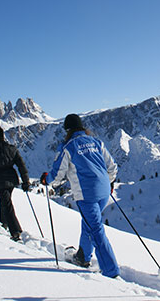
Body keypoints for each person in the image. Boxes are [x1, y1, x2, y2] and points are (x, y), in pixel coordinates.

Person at [40, 114, 119, 278]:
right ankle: (83, 257)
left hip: (86, 194)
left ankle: (111, 271)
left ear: (67, 130)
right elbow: (112, 167)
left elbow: (57, 174)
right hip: (104, 191)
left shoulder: (68, 146)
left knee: (96, 229)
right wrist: (108, 183)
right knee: (89, 223)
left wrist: (46, 180)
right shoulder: (97, 142)